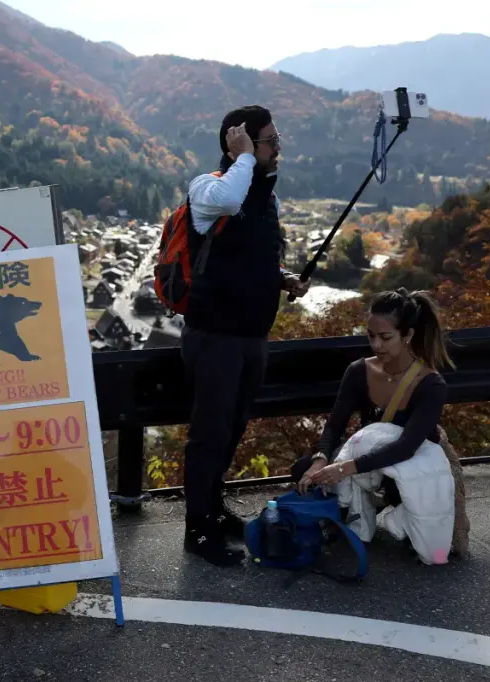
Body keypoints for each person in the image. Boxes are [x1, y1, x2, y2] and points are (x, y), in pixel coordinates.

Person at [181, 105, 310, 567]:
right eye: (270, 140)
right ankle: (196, 529)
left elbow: (251, 256)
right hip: (215, 336)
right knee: (209, 433)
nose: (279, 147)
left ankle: (214, 511)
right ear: (240, 143)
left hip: (251, 335)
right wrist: (242, 158)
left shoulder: (264, 196)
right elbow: (230, 201)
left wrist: (282, 277)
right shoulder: (208, 188)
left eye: (278, 138)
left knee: (231, 428)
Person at [293, 289, 454, 505]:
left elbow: (405, 447)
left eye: (386, 337)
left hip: (406, 462)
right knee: (303, 470)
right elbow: (334, 425)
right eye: (371, 336)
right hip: (367, 461)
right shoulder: (359, 370)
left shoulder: (430, 384)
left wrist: (343, 469)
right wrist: (320, 460)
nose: (376, 345)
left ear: (407, 335)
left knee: (400, 489)